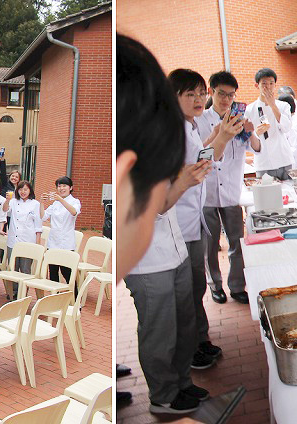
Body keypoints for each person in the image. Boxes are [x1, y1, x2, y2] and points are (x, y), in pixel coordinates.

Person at [115, 34, 188, 409]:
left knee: (179, 327)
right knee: (159, 331)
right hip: (152, 266)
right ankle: (163, 396)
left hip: (174, 253)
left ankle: (178, 385)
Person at [166, 68, 223, 371]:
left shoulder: (191, 125)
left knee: (197, 286)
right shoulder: (171, 131)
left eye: (202, 93)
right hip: (178, 222)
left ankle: (200, 339)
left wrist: (218, 137)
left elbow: (200, 158)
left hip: (193, 219)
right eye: (190, 94)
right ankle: (190, 350)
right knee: (186, 292)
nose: (199, 99)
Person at [198, 71, 253, 304]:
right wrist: (217, 135)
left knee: (237, 242)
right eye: (222, 94)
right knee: (210, 246)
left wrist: (250, 131)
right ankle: (215, 285)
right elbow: (198, 153)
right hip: (207, 192)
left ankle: (237, 286)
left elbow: (254, 148)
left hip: (231, 191)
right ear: (211, 92)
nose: (226, 99)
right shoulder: (200, 120)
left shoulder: (240, 120)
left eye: (231, 95)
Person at [243, 68, 294, 180]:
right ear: (257, 86)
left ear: (275, 85)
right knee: (267, 190)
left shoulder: (283, 106)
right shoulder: (249, 110)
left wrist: (273, 105)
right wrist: (256, 133)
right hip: (263, 162)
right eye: (264, 84)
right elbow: (245, 138)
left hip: (284, 159)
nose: (268, 87)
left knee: (289, 189)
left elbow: (286, 128)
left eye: (271, 83)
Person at [1, 182, 42, 277]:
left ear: (30, 190)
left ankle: (24, 287)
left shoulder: (35, 204)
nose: (23, 192)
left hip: (28, 240)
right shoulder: (13, 201)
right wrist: (7, 200)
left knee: (25, 269)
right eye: (20, 189)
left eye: (25, 189)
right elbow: (5, 209)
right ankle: (14, 287)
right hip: (13, 240)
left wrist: (37, 244)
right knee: (12, 268)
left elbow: (38, 226)